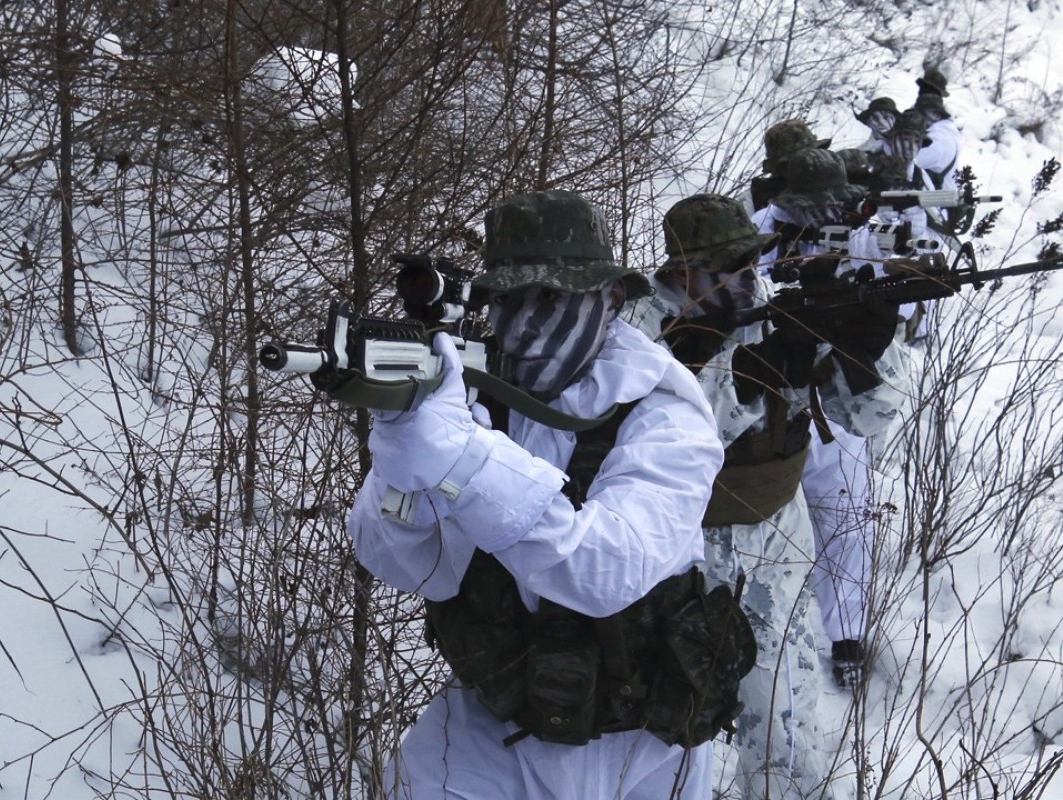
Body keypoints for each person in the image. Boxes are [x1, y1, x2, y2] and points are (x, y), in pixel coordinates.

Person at [348, 190, 734, 799]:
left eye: (551, 298)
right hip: (493, 723)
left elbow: (604, 570)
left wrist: (467, 459)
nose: (523, 325)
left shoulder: (665, 414)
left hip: (640, 744)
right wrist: (406, 464)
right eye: (505, 300)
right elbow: (414, 569)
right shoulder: (484, 392)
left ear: (609, 299)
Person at [628, 193, 910, 798]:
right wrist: (750, 368)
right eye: (726, 268)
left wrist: (864, 348)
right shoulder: (639, 326)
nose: (745, 280)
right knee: (696, 722)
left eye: (749, 265)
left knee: (790, 704)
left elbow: (865, 415)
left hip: (779, 539)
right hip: (688, 554)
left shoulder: (766, 313)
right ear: (682, 271)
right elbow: (673, 434)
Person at [753, 149, 915, 686]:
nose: (827, 217)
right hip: (769, 399)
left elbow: (909, 263)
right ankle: (764, 638)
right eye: (814, 209)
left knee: (847, 517)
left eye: (834, 207)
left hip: (839, 400)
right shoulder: (757, 238)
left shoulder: (861, 234)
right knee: (769, 524)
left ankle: (846, 635)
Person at [746, 118, 832, 214]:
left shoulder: (833, 183)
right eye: (804, 159)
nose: (814, 160)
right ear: (784, 165)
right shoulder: (753, 199)